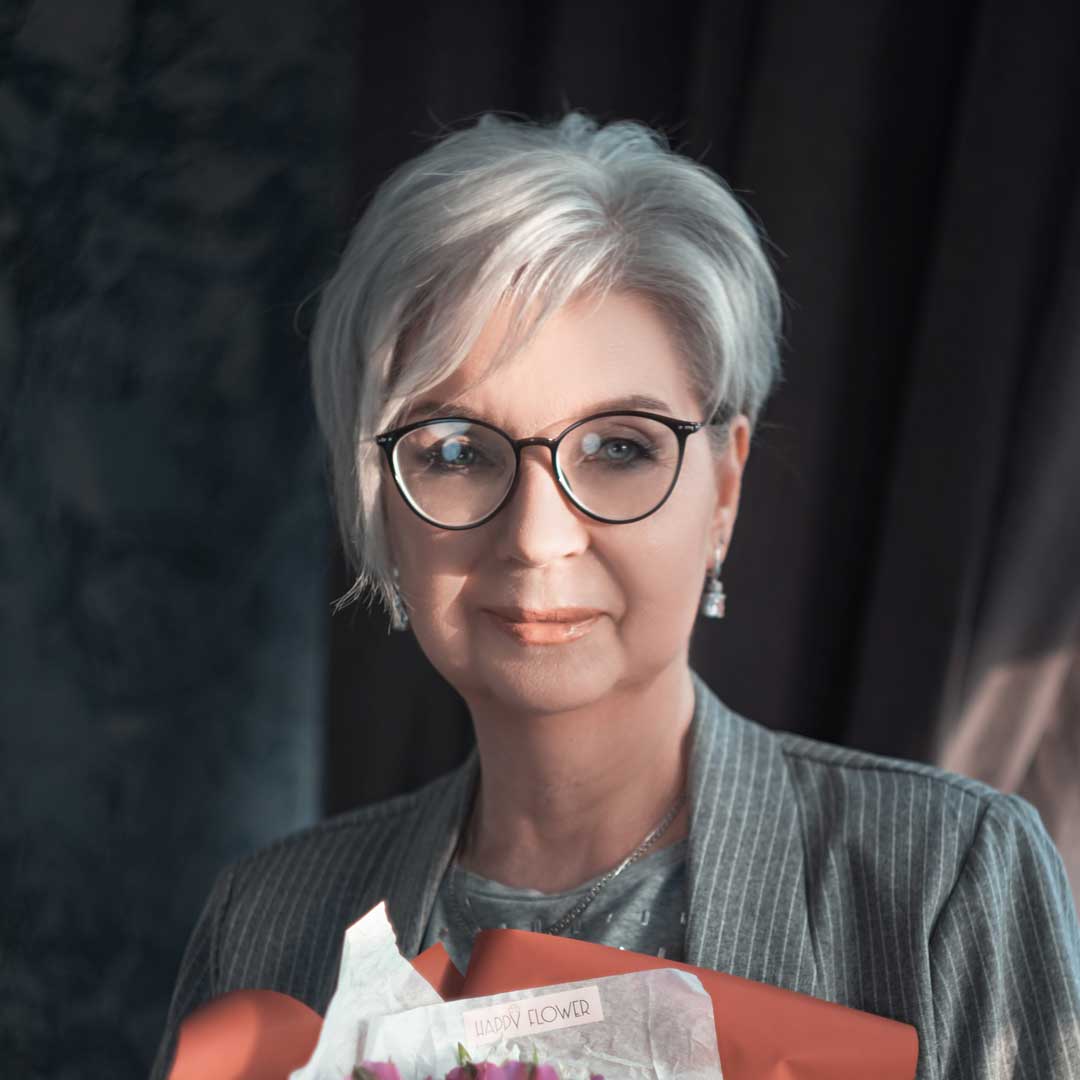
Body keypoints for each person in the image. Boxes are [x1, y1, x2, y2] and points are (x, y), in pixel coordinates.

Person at [151, 111, 1080, 1080]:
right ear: (384, 502)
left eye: (620, 448)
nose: (538, 538)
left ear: (723, 489)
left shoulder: (948, 882)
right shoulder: (261, 925)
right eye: (460, 453)